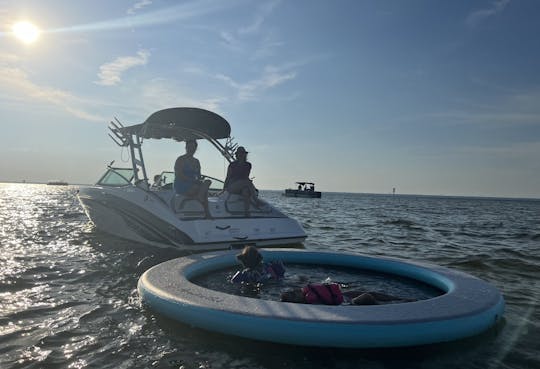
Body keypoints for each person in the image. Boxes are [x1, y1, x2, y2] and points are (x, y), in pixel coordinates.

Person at [280, 283, 415, 305]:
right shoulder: (310, 303)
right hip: (345, 305)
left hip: (343, 296)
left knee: (370, 292)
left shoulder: (306, 293)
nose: (295, 291)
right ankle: (390, 308)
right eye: (293, 294)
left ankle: (402, 299)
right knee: (367, 297)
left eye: (292, 291)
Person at [174, 139, 212, 218]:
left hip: (193, 183)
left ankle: (199, 197)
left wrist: (199, 180)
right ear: (186, 147)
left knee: (207, 182)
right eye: (189, 147)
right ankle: (207, 212)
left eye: (193, 147)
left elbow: (198, 176)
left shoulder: (196, 161)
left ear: (195, 148)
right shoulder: (180, 159)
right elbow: (178, 174)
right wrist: (192, 180)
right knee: (202, 190)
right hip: (181, 184)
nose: (191, 149)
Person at [223, 146, 263, 216]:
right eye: (239, 153)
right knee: (247, 182)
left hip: (243, 184)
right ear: (237, 155)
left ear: (245, 155)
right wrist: (223, 189)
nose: (241, 155)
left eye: (242, 153)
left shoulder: (248, 165)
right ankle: (256, 200)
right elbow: (228, 177)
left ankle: (246, 212)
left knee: (246, 191)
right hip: (232, 186)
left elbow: (245, 177)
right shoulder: (232, 165)